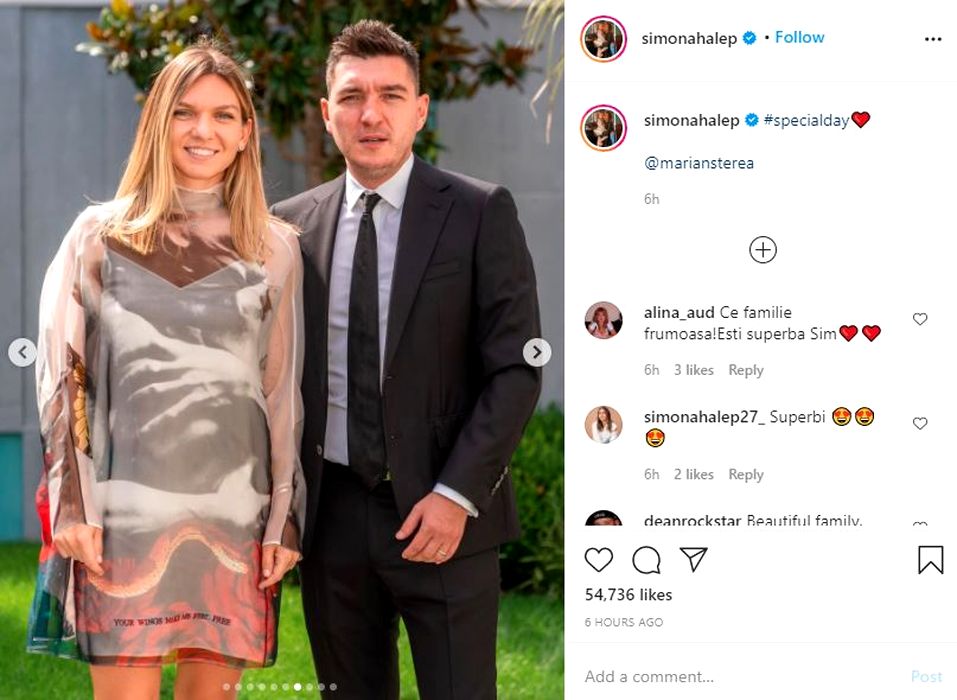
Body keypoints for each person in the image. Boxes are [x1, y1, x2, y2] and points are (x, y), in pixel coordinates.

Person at [271, 20, 541, 700]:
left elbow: (515, 369)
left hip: (443, 513)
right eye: (352, 96)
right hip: (333, 517)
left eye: (391, 95)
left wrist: (456, 495)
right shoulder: (287, 228)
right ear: (326, 112)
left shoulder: (479, 212)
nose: (372, 114)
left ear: (420, 110)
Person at [27, 40, 305, 699]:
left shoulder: (275, 247)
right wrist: (73, 504)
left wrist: (284, 517)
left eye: (223, 114)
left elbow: (283, 392)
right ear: (157, 121)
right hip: (120, 518)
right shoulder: (99, 235)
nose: (203, 130)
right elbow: (64, 376)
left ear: (246, 133)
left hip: (235, 518)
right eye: (185, 112)